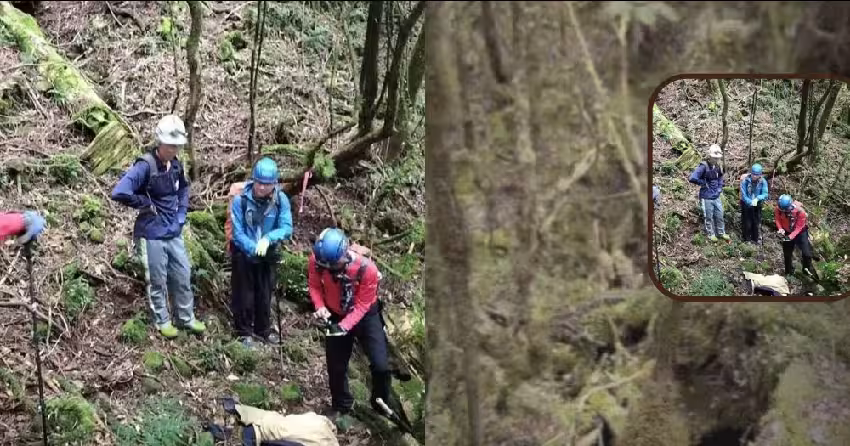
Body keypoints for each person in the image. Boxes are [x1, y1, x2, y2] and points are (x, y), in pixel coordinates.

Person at [110, 115, 206, 338]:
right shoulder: (145, 165)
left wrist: (181, 214)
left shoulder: (176, 165)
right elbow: (120, 191)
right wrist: (144, 203)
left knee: (183, 274)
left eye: (177, 146)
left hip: (173, 229)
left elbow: (183, 189)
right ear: (160, 142)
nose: (174, 150)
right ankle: (162, 320)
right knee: (157, 279)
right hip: (151, 232)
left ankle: (186, 317)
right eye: (170, 145)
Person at [307, 228, 392, 419]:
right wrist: (320, 306)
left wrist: (344, 327)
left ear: (344, 255)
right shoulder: (317, 261)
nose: (329, 268)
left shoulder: (367, 269)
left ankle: (381, 402)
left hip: (366, 315)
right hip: (335, 312)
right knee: (336, 365)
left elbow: (362, 305)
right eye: (325, 264)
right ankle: (341, 405)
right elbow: (314, 285)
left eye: (333, 264)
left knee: (381, 366)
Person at [229, 157, 293, 346]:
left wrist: (268, 239)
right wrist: (253, 248)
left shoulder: (280, 200)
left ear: (274, 183)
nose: (262, 188)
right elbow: (237, 233)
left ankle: (263, 329)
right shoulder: (240, 201)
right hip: (244, 253)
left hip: (268, 253)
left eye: (267, 184)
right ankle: (243, 332)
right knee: (244, 294)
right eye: (259, 183)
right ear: (253, 180)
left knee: (265, 293)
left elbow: (286, 227)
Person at [688, 144, 729, 242]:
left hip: (716, 195)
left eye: (717, 158)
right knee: (708, 216)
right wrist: (703, 183)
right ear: (710, 156)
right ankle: (711, 234)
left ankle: (721, 232)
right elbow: (692, 178)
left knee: (720, 215)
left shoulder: (717, 166)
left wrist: (719, 188)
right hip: (706, 196)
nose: (716, 160)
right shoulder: (703, 166)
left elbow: (720, 177)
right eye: (714, 158)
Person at [774, 194, 819, 280]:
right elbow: (777, 219)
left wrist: (790, 237)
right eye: (782, 209)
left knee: (807, 253)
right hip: (787, 231)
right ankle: (788, 272)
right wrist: (780, 228)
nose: (784, 211)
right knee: (787, 254)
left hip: (801, 232)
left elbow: (799, 228)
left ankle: (806, 268)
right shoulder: (778, 209)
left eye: (785, 210)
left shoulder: (800, 212)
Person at [739, 163, 769, 243]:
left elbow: (765, 194)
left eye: (757, 175)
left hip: (757, 204)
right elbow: (743, 195)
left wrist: (758, 198)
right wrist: (750, 202)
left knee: (756, 222)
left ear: (760, 175)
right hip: (746, 204)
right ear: (751, 173)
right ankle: (746, 239)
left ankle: (755, 239)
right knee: (747, 222)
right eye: (753, 174)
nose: (755, 176)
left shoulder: (763, 182)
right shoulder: (745, 181)